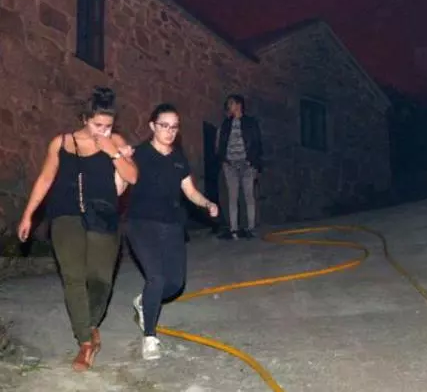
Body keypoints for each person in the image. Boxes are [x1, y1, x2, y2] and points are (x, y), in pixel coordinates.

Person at [16, 87, 137, 371]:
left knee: (100, 280)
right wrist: (28, 215)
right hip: (65, 215)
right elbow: (45, 178)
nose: (103, 131)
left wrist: (113, 152)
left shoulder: (115, 141)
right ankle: (84, 341)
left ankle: (91, 325)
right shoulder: (61, 143)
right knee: (73, 276)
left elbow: (132, 176)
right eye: (98, 125)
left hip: (103, 216)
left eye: (108, 126)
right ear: (85, 119)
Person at [127, 103, 219, 360]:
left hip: (171, 225)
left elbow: (190, 191)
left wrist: (207, 203)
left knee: (175, 284)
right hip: (141, 224)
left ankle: (144, 301)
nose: (169, 131)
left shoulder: (179, 159)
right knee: (156, 277)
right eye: (164, 126)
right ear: (152, 126)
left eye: (174, 127)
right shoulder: (138, 154)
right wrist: (119, 157)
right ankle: (149, 337)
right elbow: (121, 181)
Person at [215, 94, 262, 240]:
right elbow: (221, 143)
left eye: (231, 103)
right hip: (230, 165)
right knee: (232, 196)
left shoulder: (250, 123)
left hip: (247, 164)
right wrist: (223, 160)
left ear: (239, 105)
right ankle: (233, 229)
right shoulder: (226, 124)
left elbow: (257, 143)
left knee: (249, 195)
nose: (229, 106)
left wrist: (255, 163)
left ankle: (251, 228)